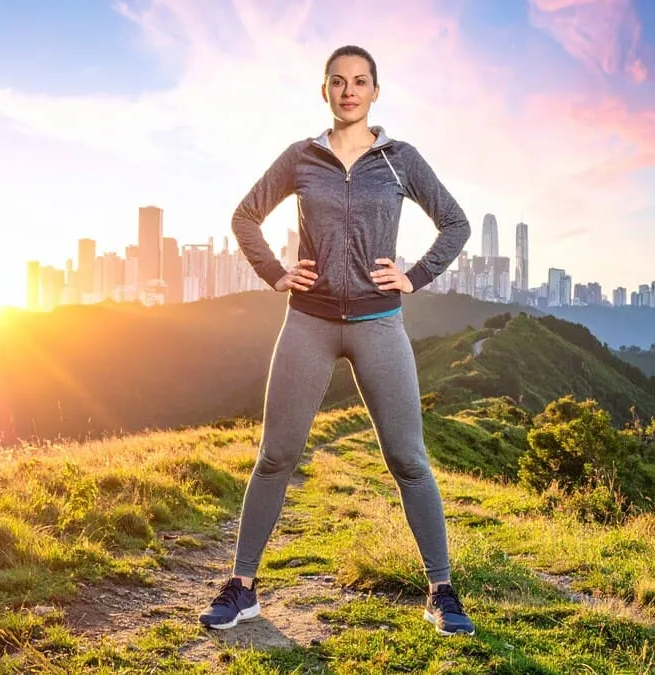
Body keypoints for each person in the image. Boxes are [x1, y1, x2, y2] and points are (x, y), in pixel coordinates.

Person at [198, 45, 475, 637]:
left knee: (408, 459)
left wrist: (416, 276)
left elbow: (455, 222)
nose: (349, 90)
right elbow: (246, 215)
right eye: (337, 81)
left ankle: (442, 591)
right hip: (309, 322)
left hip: (380, 324)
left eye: (360, 81)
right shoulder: (302, 157)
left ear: (376, 91)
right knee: (276, 456)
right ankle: (242, 588)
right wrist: (275, 272)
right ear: (323, 91)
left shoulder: (401, 160)